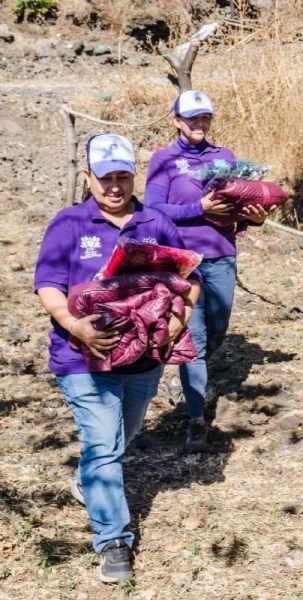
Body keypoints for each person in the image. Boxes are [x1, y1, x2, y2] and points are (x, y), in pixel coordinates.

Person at [34, 133, 201, 583]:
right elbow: (48, 284)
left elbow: (189, 278)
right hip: (82, 358)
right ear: (87, 176)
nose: (114, 186)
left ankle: (89, 479)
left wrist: (177, 322)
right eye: (104, 177)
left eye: (123, 176)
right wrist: (75, 325)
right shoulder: (68, 224)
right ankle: (113, 542)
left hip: (143, 358)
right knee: (105, 444)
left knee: (121, 435)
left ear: (134, 177)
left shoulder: (156, 222)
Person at [145, 90, 270, 452]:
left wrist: (254, 218)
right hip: (183, 262)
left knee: (217, 331)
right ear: (176, 121)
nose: (199, 124)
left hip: (222, 255)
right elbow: (154, 209)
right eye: (192, 118)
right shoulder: (164, 160)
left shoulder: (225, 157)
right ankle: (196, 420)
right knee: (195, 341)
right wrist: (198, 206)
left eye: (205, 118)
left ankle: (184, 379)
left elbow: (236, 206)